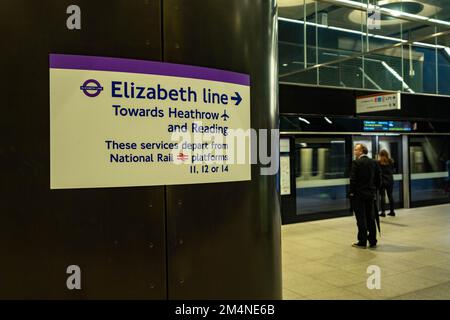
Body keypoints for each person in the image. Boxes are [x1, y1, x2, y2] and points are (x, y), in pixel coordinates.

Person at [349, 143, 381, 249]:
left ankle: (362, 242)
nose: (354, 151)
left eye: (356, 150)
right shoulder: (374, 162)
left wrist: (351, 192)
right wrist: (374, 190)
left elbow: (353, 180)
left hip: (359, 195)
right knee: (371, 217)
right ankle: (372, 240)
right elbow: (378, 179)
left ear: (361, 151)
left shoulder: (356, 163)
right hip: (370, 195)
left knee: (361, 218)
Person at [378, 149, 395, 217]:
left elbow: (378, 171)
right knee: (390, 195)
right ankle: (392, 211)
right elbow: (393, 170)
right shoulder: (391, 161)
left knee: (382, 196)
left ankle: (383, 212)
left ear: (380, 155)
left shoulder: (379, 162)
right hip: (390, 181)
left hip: (382, 181)